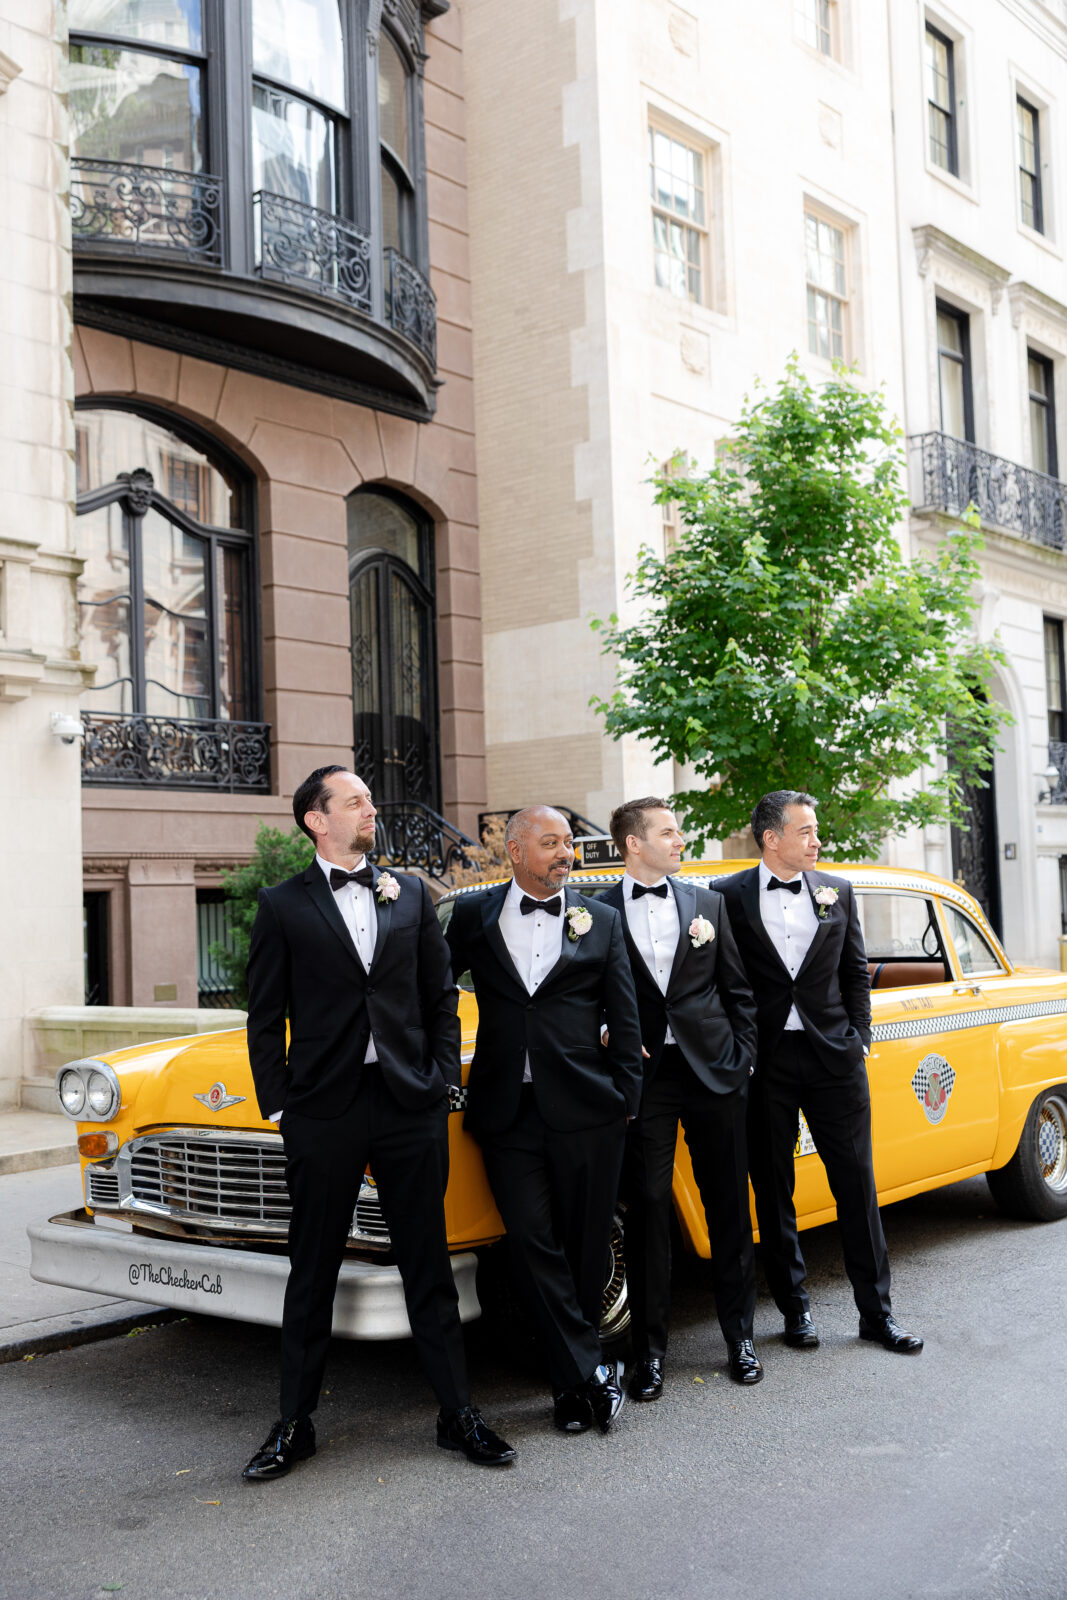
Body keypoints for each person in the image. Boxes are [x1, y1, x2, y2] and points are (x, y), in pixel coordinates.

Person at [241, 764, 515, 1481]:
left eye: (368, 800)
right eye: (355, 801)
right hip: (322, 1111)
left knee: (428, 1264)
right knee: (313, 1270)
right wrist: (283, 1107)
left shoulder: (410, 893)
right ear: (316, 819)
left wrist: (440, 1082)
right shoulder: (282, 905)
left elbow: (439, 996)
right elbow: (264, 1017)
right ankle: (294, 1424)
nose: (371, 809)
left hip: (407, 1104)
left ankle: (457, 1414)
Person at [445, 805, 643, 1434]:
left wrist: (627, 1098)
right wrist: (440, 1066)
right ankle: (590, 1371)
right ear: (516, 851)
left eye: (569, 843)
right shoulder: (473, 915)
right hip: (507, 1112)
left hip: (589, 1110)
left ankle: (568, 1389)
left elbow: (625, 1012)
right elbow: (432, 990)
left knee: (586, 1248)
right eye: (552, 843)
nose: (567, 854)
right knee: (532, 1245)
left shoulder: (601, 920)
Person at [719, 790, 923, 1355]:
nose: (817, 840)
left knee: (857, 1184)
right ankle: (795, 1311)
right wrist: (739, 1050)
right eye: (805, 831)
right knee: (773, 1189)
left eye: (816, 830)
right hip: (764, 1062)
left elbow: (855, 971)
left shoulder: (839, 890)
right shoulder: (726, 896)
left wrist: (859, 1039)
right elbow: (720, 979)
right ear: (771, 838)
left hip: (834, 1057)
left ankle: (877, 1315)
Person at [601, 798, 762, 1400]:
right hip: (646, 1077)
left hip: (715, 1070)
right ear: (633, 844)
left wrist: (743, 1058)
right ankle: (649, 1355)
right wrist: (605, 1031)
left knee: (728, 1203)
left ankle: (740, 1338)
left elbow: (737, 989)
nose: (679, 840)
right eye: (667, 832)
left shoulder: (708, 904)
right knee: (648, 1207)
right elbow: (587, 992)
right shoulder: (598, 912)